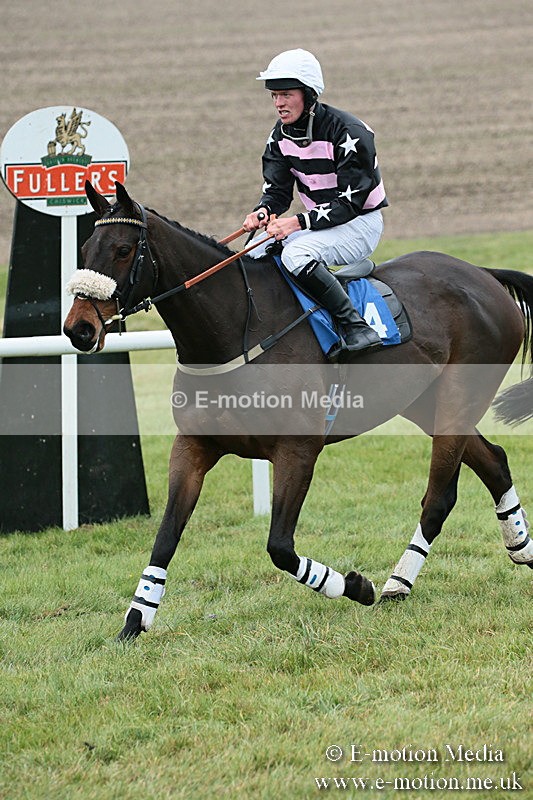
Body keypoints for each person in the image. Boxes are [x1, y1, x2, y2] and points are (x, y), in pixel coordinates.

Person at [243, 48, 388, 352]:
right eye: (273, 96)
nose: (278, 103)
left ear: (308, 94)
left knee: (296, 255)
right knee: (252, 252)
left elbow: (351, 204)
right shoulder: (279, 136)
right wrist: (263, 210)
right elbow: (278, 191)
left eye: (285, 94)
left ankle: (355, 327)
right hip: (319, 224)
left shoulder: (350, 132)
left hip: (360, 223)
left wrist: (296, 223)